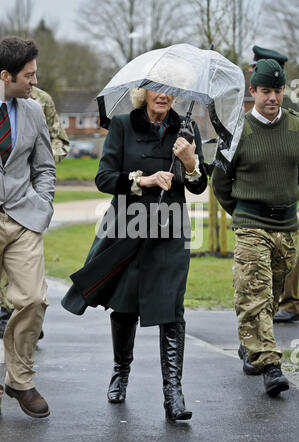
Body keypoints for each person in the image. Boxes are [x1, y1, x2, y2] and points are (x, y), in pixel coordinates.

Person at [61, 88, 207, 421]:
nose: (163, 96)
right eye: (157, 89)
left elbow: (198, 187)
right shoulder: (123, 126)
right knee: (125, 305)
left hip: (170, 232)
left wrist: (191, 163)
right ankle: (120, 371)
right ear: (143, 93)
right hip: (128, 226)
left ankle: (174, 393)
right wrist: (145, 179)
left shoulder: (186, 129)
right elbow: (104, 178)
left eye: (170, 91)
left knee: (171, 307)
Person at [211, 59, 299, 397]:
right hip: (251, 225)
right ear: (253, 92)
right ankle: (270, 364)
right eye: (266, 91)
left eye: (277, 90)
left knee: (272, 296)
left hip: (287, 227)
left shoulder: (295, 127)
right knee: (253, 295)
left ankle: (250, 346)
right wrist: (243, 215)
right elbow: (219, 182)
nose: (273, 97)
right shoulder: (236, 131)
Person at [0, 36, 56, 418]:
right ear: (5, 76)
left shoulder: (34, 111)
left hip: (22, 219)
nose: (34, 82)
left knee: (33, 300)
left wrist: (43, 206)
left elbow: (45, 166)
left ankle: (19, 379)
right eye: (29, 75)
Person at [0, 85, 69, 339]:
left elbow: (59, 142)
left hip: (24, 206)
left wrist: (33, 160)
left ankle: (15, 321)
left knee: (29, 294)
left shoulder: (40, 101)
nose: (33, 79)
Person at [250, 47, 299, 325]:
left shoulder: (287, 105)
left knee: (288, 247)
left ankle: (290, 303)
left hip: (286, 188)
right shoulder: (286, 98)